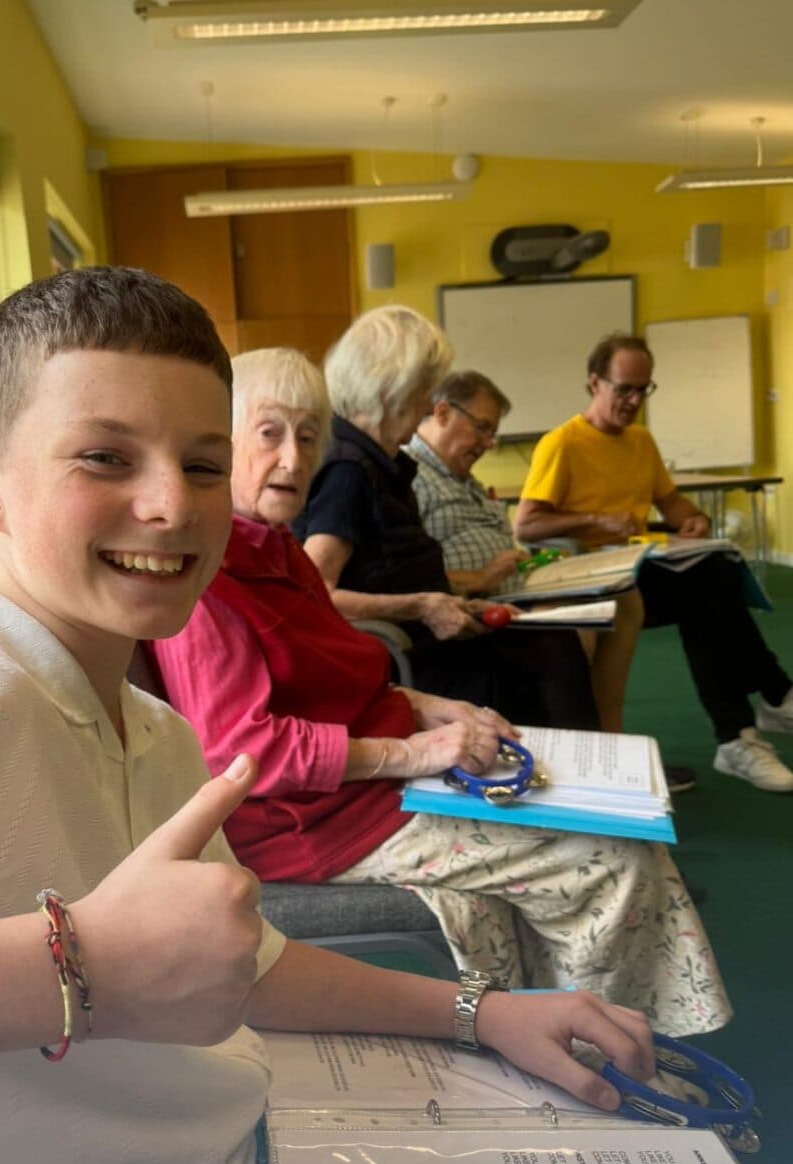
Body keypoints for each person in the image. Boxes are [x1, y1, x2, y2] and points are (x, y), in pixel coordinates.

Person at [0, 270, 662, 1164]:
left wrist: (482, 1012)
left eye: (204, 466)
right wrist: (73, 969)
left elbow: (247, 963)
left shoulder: (156, 733)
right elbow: (103, 967)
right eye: (104, 459)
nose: (174, 505)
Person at [152, 344, 731, 1042]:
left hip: (370, 789)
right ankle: (618, 1057)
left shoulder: (275, 550)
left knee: (602, 820)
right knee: (616, 858)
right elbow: (243, 752)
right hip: (316, 822)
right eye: (269, 432)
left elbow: (344, 675)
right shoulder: (211, 584)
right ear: (222, 441)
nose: (293, 457)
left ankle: (566, 1038)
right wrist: (415, 752)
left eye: (309, 437)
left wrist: (432, 708)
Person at [290, 306, 601, 731]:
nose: (425, 406)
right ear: (390, 390)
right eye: (422, 392)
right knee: (549, 653)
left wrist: (454, 602)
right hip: (403, 658)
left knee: (551, 642)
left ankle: (570, 777)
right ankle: (569, 782)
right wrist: (423, 605)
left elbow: (389, 571)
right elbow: (317, 591)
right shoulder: (348, 470)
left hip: (427, 639)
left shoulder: (378, 460)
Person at [515, 332, 793, 793]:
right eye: (623, 388)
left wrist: (695, 521)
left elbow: (671, 502)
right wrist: (594, 519)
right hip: (592, 580)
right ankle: (769, 698)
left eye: (643, 389)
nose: (633, 400)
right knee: (711, 588)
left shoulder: (641, 441)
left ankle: (740, 735)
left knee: (713, 581)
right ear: (593, 384)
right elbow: (525, 526)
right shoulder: (561, 444)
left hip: (642, 569)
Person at [405, 370, 647, 739]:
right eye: (481, 428)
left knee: (624, 597)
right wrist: (480, 579)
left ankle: (609, 736)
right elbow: (406, 573)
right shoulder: (410, 477)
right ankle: (586, 741)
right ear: (441, 414)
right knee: (563, 630)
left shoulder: (459, 476)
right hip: (478, 604)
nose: (488, 443)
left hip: (518, 587)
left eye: (492, 433)